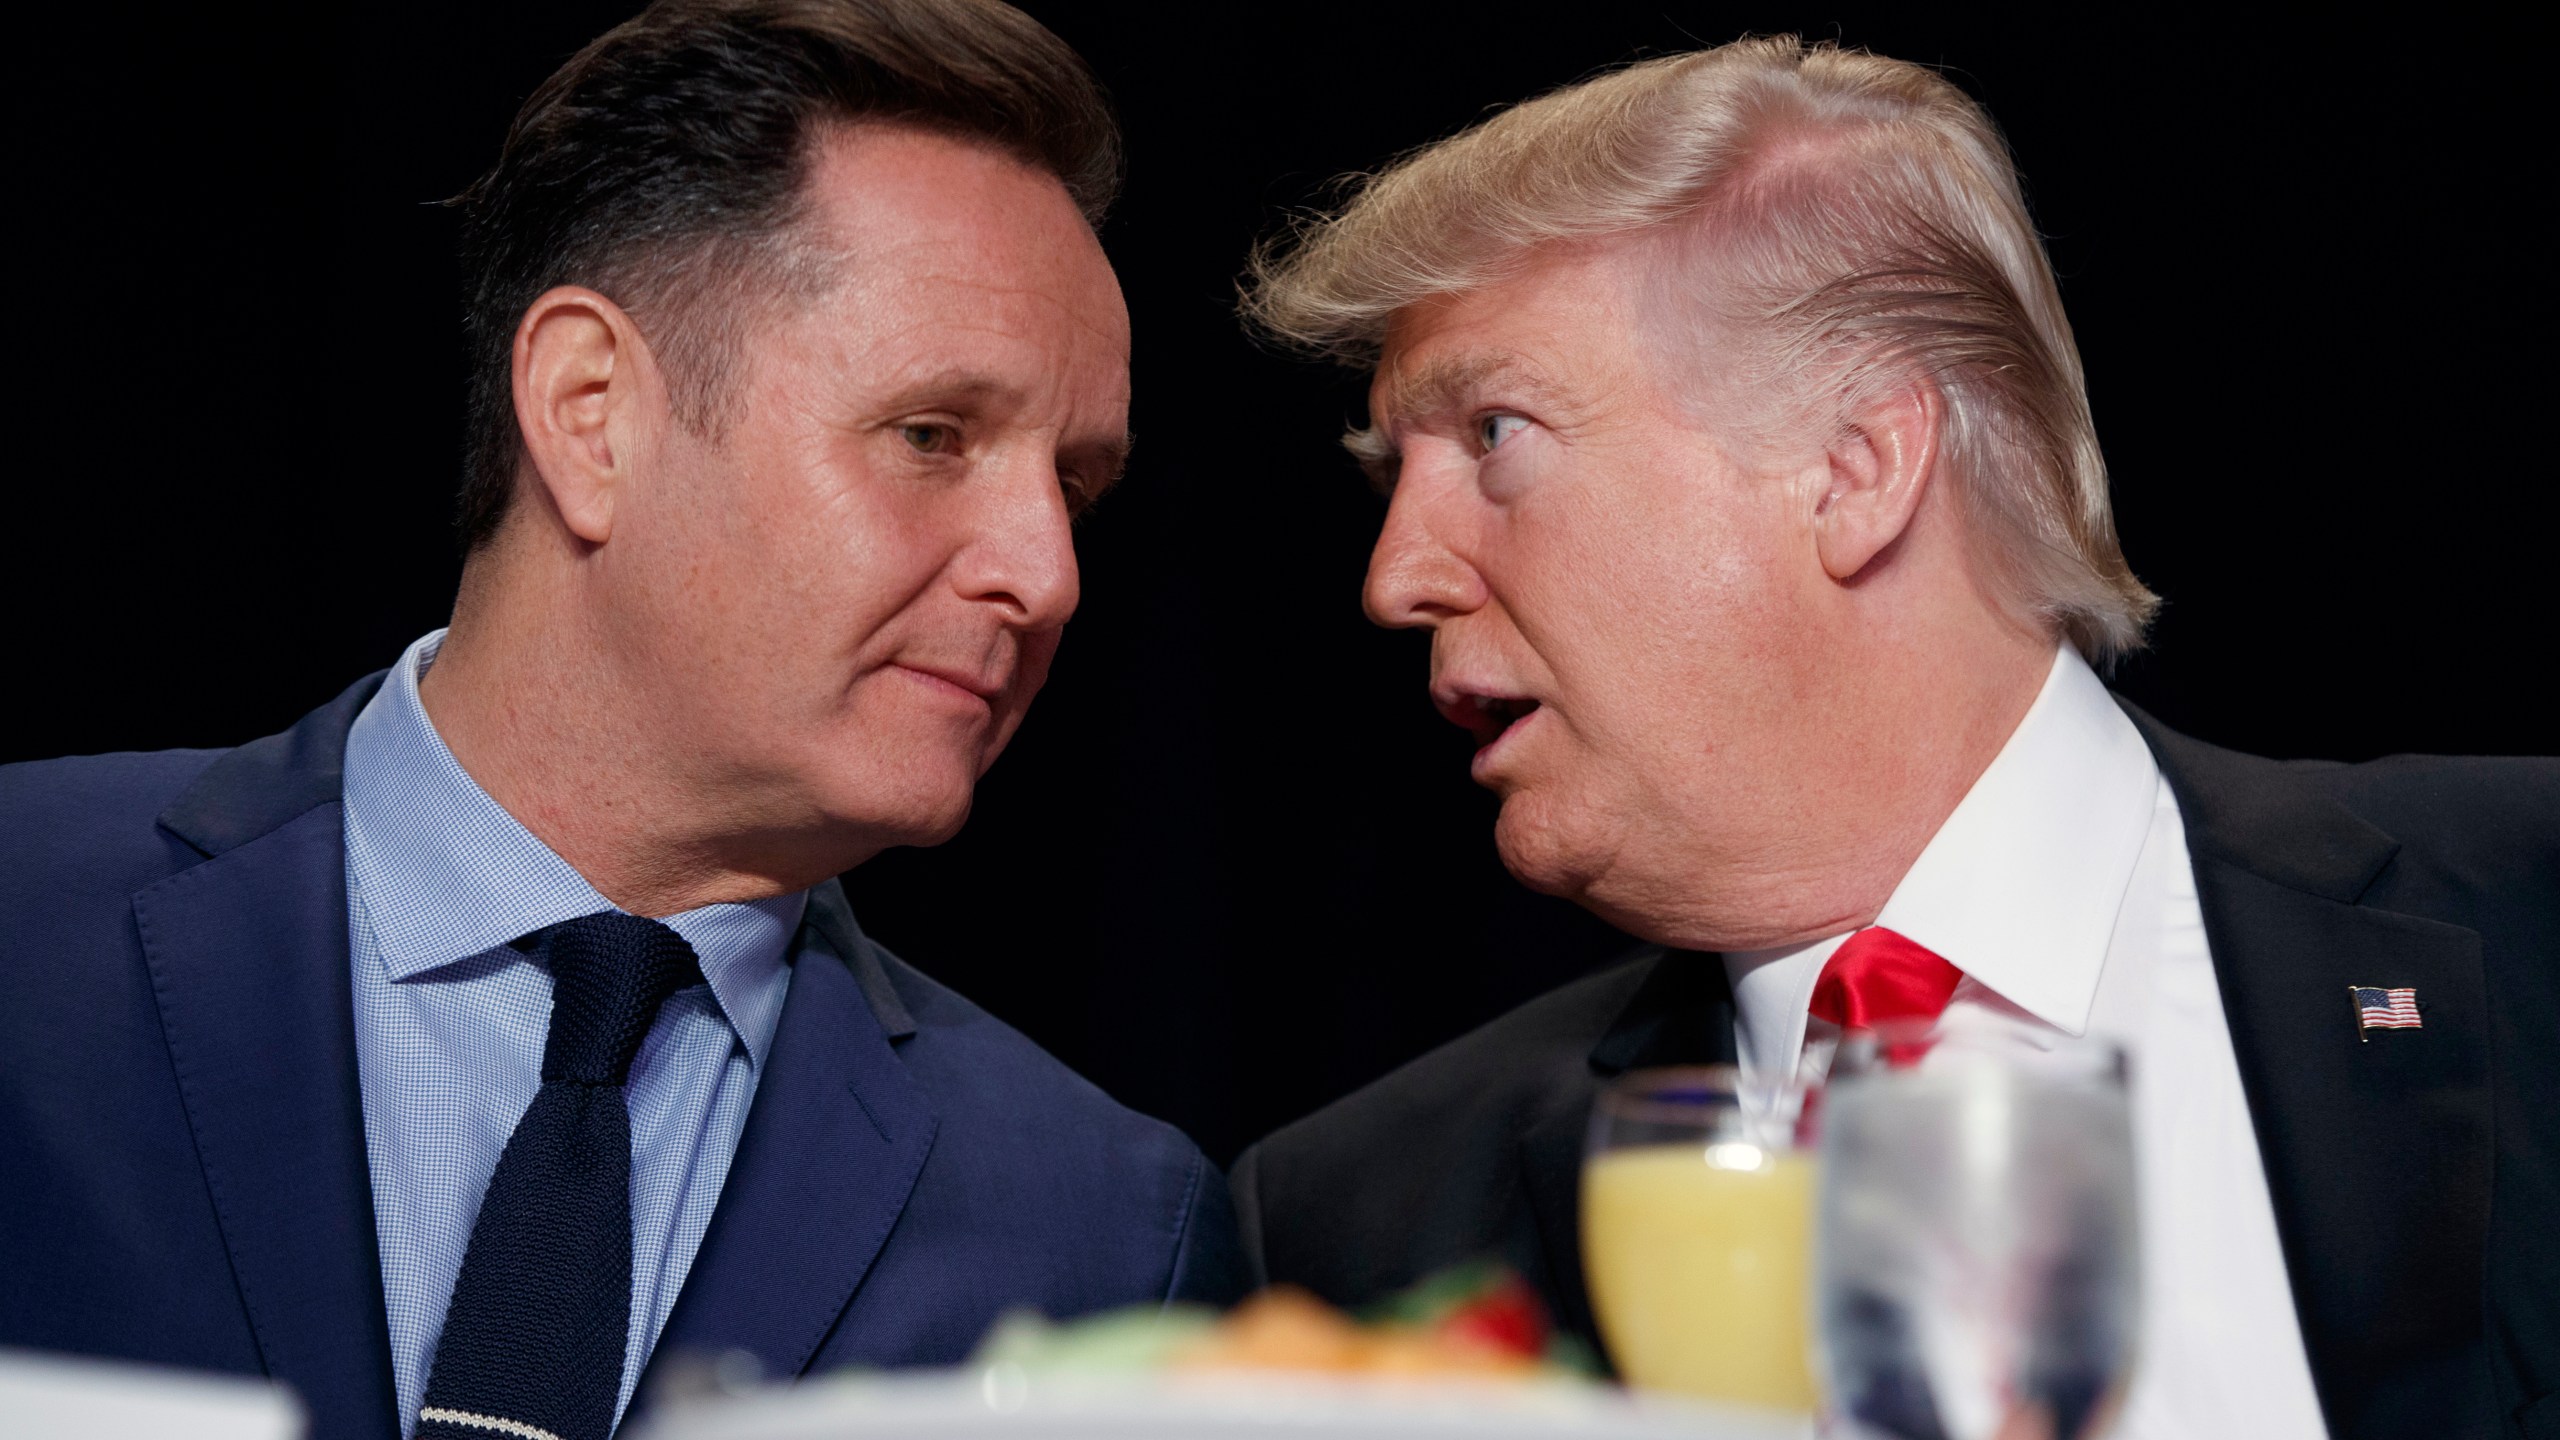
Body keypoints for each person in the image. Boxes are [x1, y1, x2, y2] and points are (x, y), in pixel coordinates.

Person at [1228, 36, 2556, 1440]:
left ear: (1856, 468)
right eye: (1394, 472)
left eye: (1494, 432)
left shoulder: (2529, 911)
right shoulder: (1353, 1231)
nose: (1395, 575)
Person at [0, 4, 1242, 1438]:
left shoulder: (1104, 1232)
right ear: (592, 411)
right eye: (932, 437)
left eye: (1075, 487)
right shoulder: (25, 933)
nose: (1045, 572)